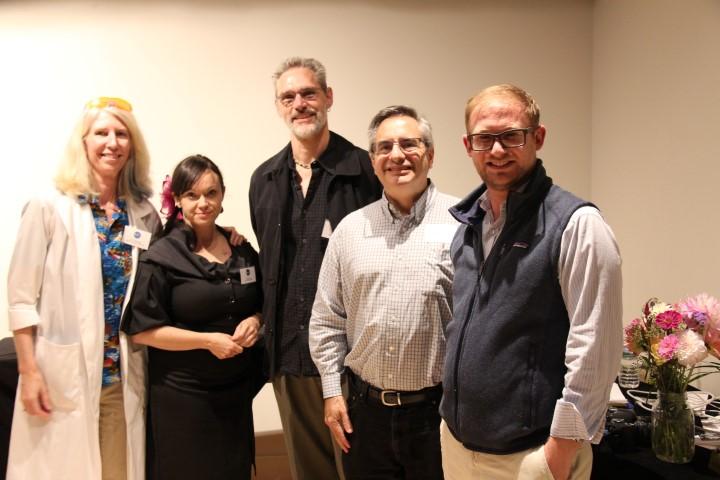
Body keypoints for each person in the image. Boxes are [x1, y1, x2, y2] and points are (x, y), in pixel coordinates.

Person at [440, 84, 623, 480]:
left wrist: (559, 452)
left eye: (512, 136)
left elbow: (595, 347)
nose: (497, 150)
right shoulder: (468, 226)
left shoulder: (577, 225)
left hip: (530, 457)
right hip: (457, 447)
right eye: (484, 138)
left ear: (538, 137)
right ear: (468, 145)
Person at [6, 97, 161, 480]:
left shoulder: (143, 214)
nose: (112, 142)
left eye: (122, 134)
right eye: (101, 133)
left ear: (133, 145)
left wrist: (222, 234)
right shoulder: (48, 207)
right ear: (83, 142)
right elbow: (21, 298)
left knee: (116, 472)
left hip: (120, 377)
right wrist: (29, 372)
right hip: (61, 375)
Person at [249, 57, 382, 480]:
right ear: (278, 106)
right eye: (288, 97)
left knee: (360, 469)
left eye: (308, 93)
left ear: (328, 97)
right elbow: (269, 263)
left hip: (352, 363)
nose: (299, 104)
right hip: (290, 359)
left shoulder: (366, 172)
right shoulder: (265, 180)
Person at [310, 105, 457, 479]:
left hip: (439, 415)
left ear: (430, 154)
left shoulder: (465, 223)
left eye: (409, 144)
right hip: (365, 415)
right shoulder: (350, 230)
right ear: (373, 161)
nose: (397, 155)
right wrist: (332, 391)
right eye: (385, 147)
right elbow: (327, 319)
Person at [121, 154, 263, 480]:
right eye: (192, 195)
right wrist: (206, 341)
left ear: (223, 195)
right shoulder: (162, 256)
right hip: (183, 396)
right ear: (177, 200)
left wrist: (256, 320)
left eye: (211, 193)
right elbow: (142, 330)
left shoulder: (241, 250)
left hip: (235, 393)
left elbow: (264, 303)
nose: (203, 203)